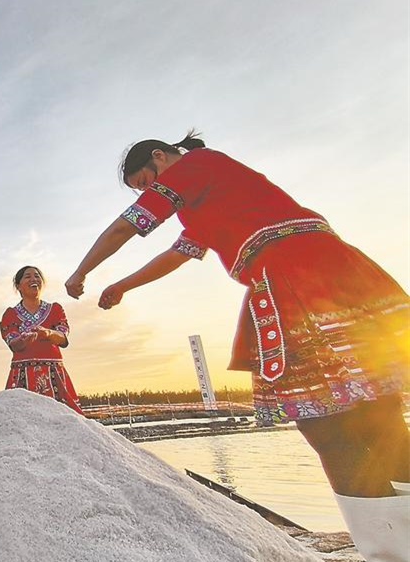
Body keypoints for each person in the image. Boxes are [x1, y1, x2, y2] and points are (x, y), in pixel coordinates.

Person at [64, 132, 410, 561]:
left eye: (147, 183)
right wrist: (122, 286)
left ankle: (389, 551)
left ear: (160, 157)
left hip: (293, 276)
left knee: (328, 428)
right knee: (382, 417)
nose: (151, 193)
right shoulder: (214, 187)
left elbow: (128, 225)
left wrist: (81, 273)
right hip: (342, 272)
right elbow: (179, 253)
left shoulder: (193, 166)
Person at [0, 266, 82, 413]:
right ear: (18, 286)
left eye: (37, 276)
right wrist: (23, 340)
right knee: (21, 420)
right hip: (23, 376)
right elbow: (13, 343)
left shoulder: (55, 310)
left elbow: (63, 338)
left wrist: (48, 333)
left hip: (53, 374)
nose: (34, 279)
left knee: (63, 418)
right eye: (27, 276)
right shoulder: (10, 314)